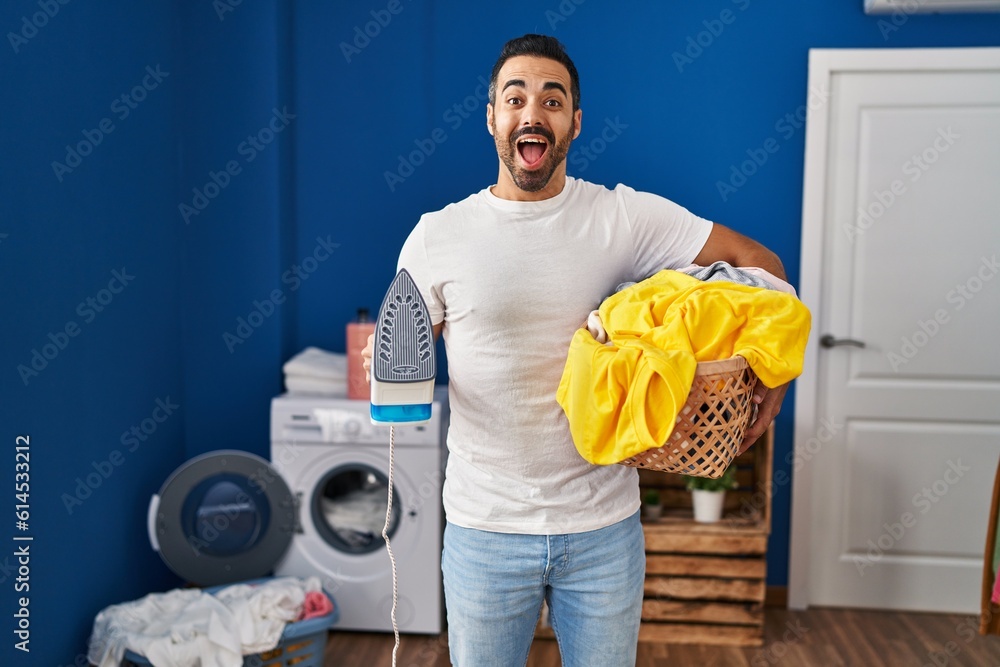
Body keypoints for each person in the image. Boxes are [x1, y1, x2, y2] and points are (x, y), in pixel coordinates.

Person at [361, 33, 789, 667]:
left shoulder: (623, 218)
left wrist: (771, 381)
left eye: (552, 100)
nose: (533, 112)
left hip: (603, 530)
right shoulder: (437, 237)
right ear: (492, 117)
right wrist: (393, 361)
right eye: (516, 98)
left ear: (575, 123)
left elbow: (762, 266)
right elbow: (412, 354)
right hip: (484, 530)